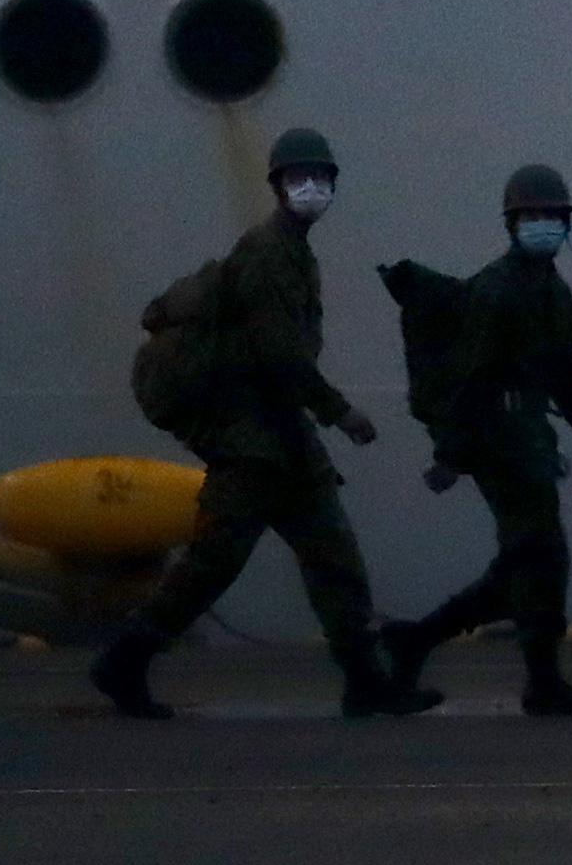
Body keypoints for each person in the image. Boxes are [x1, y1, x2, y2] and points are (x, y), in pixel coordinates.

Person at [91, 127, 439, 720]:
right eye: (299, 178)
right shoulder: (268, 253)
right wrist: (341, 413)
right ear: (278, 186)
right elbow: (281, 356)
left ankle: (366, 680)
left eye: (321, 179)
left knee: (334, 558)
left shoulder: (292, 252)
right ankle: (126, 657)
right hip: (252, 441)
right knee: (212, 567)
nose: (312, 188)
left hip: (283, 440)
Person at [375, 164, 572, 716]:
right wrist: (451, 454)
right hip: (498, 445)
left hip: (529, 442)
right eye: (532, 216)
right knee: (541, 556)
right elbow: (471, 378)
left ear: (566, 223)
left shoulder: (552, 290)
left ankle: (418, 639)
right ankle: (539, 683)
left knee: (528, 562)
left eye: (552, 216)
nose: (543, 224)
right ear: (513, 223)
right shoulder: (497, 290)